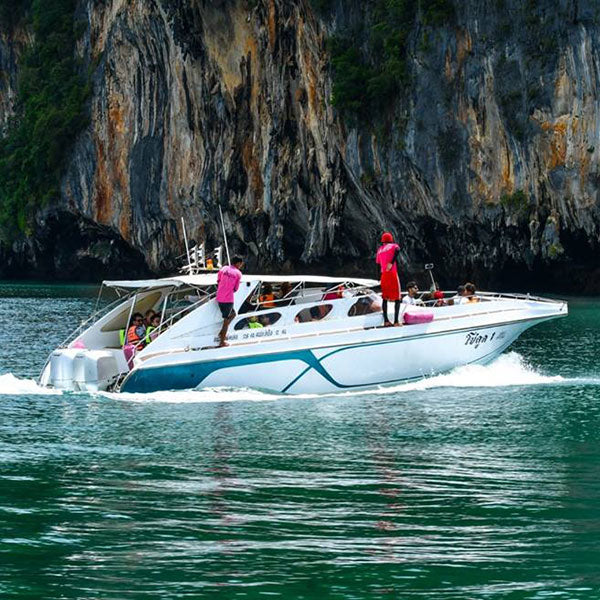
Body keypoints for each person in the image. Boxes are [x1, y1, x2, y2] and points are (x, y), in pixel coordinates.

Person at [216, 256, 244, 347]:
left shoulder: (223, 269)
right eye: (241, 264)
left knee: (233, 314)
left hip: (219, 297)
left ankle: (221, 333)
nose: (241, 265)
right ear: (238, 263)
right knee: (226, 320)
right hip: (228, 299)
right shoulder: (238, 273)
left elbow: (218, 280)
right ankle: (222, 341)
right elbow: (236, 289)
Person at [376, 232, 402, 326]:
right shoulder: (393, 246)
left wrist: (378, 278)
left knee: (385, 298)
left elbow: (378, 265)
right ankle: (396, 321)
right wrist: (391, 262)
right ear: (391, 239)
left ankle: (386, 321)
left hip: (384, 275)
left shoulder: (379, 250)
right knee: (397, 298)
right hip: (392, 273)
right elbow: (398, 250)